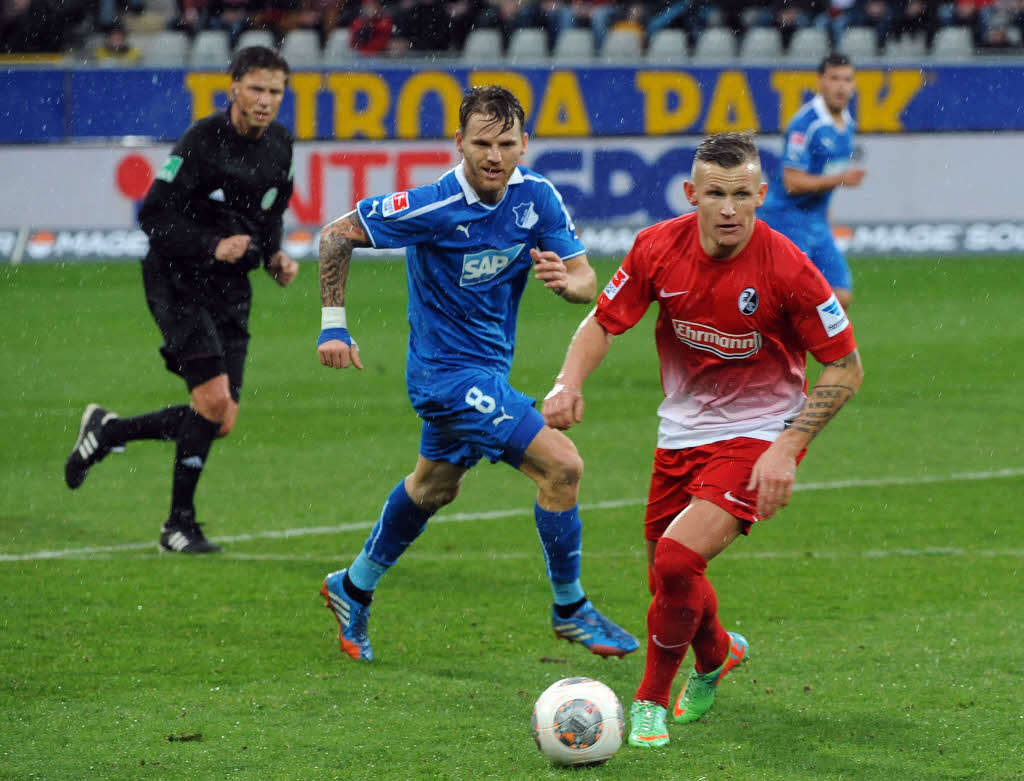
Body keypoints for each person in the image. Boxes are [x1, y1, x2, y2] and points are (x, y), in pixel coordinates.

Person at [542, 132, 863, 748]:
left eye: (741, 194)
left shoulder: (790, 268)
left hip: (759, 431)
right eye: (714, 193)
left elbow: (846, 367)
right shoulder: (657, 247)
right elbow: (604, 321)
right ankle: (717, 653)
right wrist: (567, 381)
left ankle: (648, 704)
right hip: (681, 431)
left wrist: (785, 448)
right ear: (691, 194)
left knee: (676, 559)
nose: (727, 209)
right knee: (669, 586)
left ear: (761, 196)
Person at [315, 85, 638, 663]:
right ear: (459, 142)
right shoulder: (434, 205)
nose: (493, 155)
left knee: (434, 486)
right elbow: (336, 234)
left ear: (524, 145)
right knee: (562, 468)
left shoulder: (536, 198)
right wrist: (334, 324)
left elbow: (586, 278)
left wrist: (569, 285)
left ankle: (352, 585)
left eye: (506, 143)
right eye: (482, 142)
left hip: (487, 370)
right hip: (445, 378)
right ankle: (571, 608)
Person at [63, 46, 299, 554]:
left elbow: (273, 205)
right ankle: (178, 526)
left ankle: (109, 432)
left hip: (232, 288)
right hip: (179, 281)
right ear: (232, 86)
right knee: (212, 402)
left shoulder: (280, 144)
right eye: (255, 88)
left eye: (274, 91)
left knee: (220, 419)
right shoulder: (201, 142)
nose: (264, 100)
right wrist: (213, 245)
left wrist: (276, 254)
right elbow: (153, 215)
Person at [757, 53, 864, 310]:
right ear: (820, 82)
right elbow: (792, 182)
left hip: (816, 222)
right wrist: (840, 180)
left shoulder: (847, 123)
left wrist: (827, 213)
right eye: (834, 78)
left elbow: (825, 173)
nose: (841, 86)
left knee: (840, 296)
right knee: (795, 301)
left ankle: (807, 344)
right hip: (786, 219)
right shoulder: (805, 124)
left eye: (847, 79)